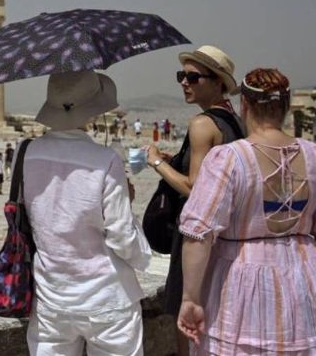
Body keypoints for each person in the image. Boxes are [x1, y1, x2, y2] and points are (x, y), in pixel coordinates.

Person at [178, 68, 316, 355]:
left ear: (245, 105)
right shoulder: (312, 154)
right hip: (304, 276)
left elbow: (198, 233)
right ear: (286, 107)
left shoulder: (229, 158)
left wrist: (190, 297)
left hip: (240, 279)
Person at [24, 70, 151, 355]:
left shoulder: (27, 153)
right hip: (106, 298)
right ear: (93, 109)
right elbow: (121, 235)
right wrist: (143, 256)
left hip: (51, 297)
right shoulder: (105, 160)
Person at [145, 45, 244, 356]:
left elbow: (195, 189)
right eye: (181, 76)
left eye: (193, 77)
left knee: (184, 321)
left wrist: (156, 163)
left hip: (195, 236)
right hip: (227, 236)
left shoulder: (202, 124)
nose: (184, 83)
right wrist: (177, 159)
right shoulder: (235, 122)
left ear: (218, 82)